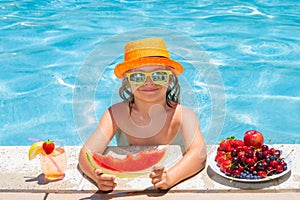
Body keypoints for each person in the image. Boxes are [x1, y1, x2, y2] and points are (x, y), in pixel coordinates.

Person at [78, 37, 207, 191]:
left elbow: (199, 153)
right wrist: (96, 176)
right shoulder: (116, 115)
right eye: (138, 77)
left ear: (170, 78)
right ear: (127, 82)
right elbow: (86, 154)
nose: (149, 83)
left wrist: (171, 176)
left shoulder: (184, 116)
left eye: (158, 75)